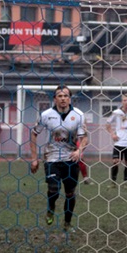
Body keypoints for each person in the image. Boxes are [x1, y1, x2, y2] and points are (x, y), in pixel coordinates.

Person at [29, 85, 88, 229]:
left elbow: (84, 137)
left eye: (66, 96)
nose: (63, 99)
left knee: (69, 193)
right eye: (60, 96)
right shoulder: (46, 115)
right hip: (52, 158)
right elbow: (33, 134)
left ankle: (67, 223)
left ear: (70, 98)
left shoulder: (78, 115)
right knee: (54, 189)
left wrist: (79, 150)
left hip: (71, 159)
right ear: (55, 99)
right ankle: (50, 209)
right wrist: (34, 158)